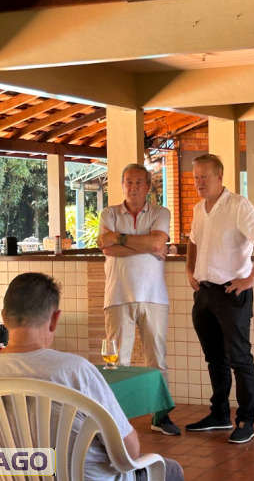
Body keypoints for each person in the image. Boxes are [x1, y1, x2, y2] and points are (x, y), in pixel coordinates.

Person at [0, 272, 184, 481]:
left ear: (4, 318)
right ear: (54, 319)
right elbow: (128, 453)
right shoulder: (76, 370)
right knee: (171, 468)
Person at [184, 154, 254, 444]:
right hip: (204, 294)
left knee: (240, 359)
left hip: (231, 293)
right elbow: (193, 240)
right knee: (215, 359)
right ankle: (220, 415)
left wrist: (251, 278)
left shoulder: (238, 205)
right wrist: (189, 269)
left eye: (204, 176)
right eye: (196, 177)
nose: (199, 182)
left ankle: (246, 420)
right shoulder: (199, 208)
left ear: (219, 177)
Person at [96, 163, 179, 436]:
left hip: (154, 296)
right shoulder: (109, 213)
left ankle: (160, 417)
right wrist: (147, 247)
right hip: (117, 296)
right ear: (122, 185)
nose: (133, 187)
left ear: (148, 187)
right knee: (117, 364)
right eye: (128, 182)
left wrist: (120, 239)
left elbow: (157, 243)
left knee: (157, 362)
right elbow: (108, 249)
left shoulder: (160, 212)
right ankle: (116, 421)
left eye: (139, 182)